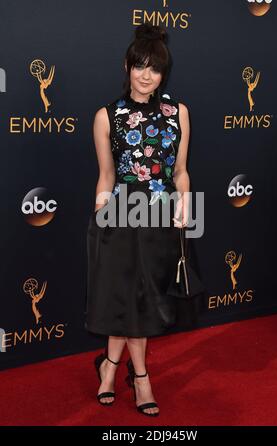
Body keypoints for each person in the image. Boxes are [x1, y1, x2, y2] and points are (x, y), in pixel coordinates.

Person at [85, 23, 205, 417]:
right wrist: (102, 219)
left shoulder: (178, 113)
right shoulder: (107, 115)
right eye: (139, 66)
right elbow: (106, 175)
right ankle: (141, 378)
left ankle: (109, 367)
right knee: (124, 299)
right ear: (127, 66)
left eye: (154, 69)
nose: (145, 75)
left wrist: (185, 209)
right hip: (120, 218)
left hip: (160, 220)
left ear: (162, 74)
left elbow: (181, 172)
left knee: (141, 301)